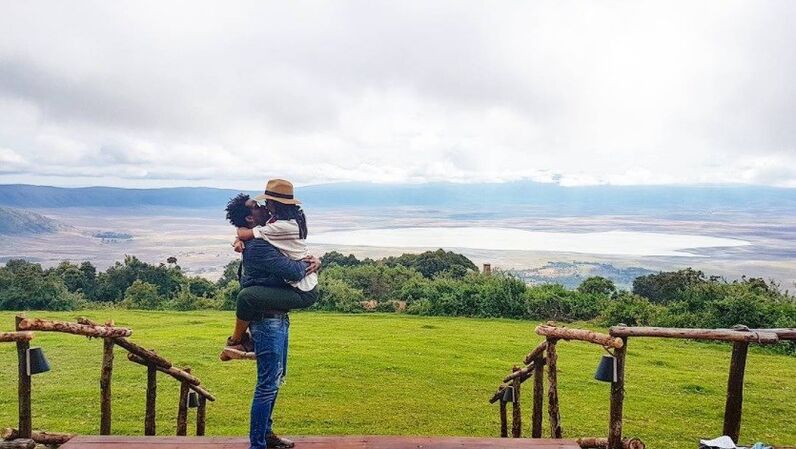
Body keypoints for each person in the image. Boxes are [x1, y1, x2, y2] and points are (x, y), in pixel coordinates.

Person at [223, 190, 321, 449]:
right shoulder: (258, 246)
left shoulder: (266, 234)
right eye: (257, 206)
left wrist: (313, 258)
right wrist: (311, 263)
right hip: (267, 322)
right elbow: (293, 270)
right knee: (267, 383)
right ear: (249, 217)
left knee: (274, 380)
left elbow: (289, 248)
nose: (264, 207)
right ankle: (258, 444)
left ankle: (266, 434)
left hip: (277, 318)